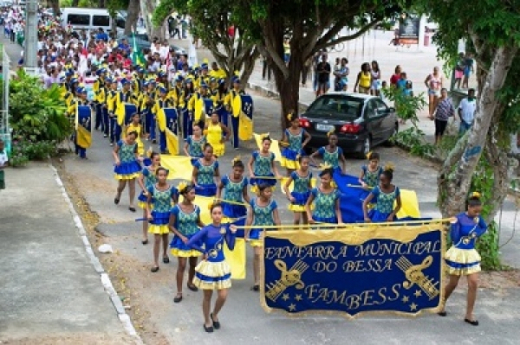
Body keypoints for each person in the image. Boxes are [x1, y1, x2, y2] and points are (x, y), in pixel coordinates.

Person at [186, 203, 238, 333]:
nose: (217, 216)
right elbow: (190, 242)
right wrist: (203, 251)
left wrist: (233, 234)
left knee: (223, 295)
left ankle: (214, 314)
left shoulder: (225, 228)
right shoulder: (206, 229)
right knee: (207, 296)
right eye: (214, 213)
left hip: (221, 265)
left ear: (222, 215)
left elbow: (231, 246)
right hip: (209, 266)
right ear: (211, 215)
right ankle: (207, 320)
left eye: (219, 213)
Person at [438, 192, 487, 326]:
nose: (477, 214)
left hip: (470, 253)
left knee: (473, 283)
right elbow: (454, 238)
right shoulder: (459, 218)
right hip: (458, 253)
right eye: (475, 211)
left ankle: (469, 314)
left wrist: (477, 233)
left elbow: (484, 227)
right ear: (469, 207)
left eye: (479, 211)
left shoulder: (478, 218)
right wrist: (455, 226)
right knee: (453, 283)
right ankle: (441, 303)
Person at [169, 182, 204, 303]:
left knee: (193, 264)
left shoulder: (196, 208)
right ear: (184, 194)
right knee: (182, 265)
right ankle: (179, 292)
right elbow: (171, 226)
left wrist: (207, 228)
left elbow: (198, 222)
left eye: (194, 193)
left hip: (194, 238)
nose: (194, 195)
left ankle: (190, 282)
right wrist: (181, 236)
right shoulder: (176, 209)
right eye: (192, 193)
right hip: (182, 240)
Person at [245, 184, 281, 291]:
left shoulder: (273, 203)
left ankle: (267, 280)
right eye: (267, 191)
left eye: (270, 191)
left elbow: (277, 219)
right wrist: (246, 233)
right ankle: (257, 281)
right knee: (257, 255)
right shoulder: (253, 202)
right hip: (256, 232)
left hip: (269, 231)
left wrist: (281, 232)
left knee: (267, 256)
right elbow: (250, 218)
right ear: (260, 192)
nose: (269, 194)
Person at [146, 167, 178, 272]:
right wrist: (148, 213)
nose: (162, 177)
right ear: (156, 176)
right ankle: (155, 263)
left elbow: (175, 203)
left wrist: (175, 215)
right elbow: (148, 203)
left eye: (164, 175)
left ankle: (164, 253)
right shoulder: (152, 188)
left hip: (168, 215)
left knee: (165, 236)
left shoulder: (172, 189)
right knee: (157, 239)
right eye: (160, 175)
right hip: (157, 215)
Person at [217, 157, 250, 231]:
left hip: (238, 206)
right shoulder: (226, 178)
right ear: (233, 168)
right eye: (236, 170)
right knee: (227, 224)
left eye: (240, 171)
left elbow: (245, 195)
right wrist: (217, 199)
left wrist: (252, 203)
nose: (238, 172)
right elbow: (219, 187)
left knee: (237, 225)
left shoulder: (244, 180)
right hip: (227, 205)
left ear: (243, 171)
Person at [113, 131, 142, 212]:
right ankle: (118, 194)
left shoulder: (135, 144)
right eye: (130, 138)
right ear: (127, 135)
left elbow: (136, 153)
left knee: (132, 186)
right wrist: (117, 159)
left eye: (133, 139)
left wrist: (138, 157)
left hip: (132, 166)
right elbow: (114, 152)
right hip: (122, 166)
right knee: (121, 186)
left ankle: (131, 204)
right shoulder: (121, 142)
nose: (131, 140)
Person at [137, 151, 160, 245]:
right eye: (156, 159)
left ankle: (157, 233)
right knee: (146, 215)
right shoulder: (147, 169)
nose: (158, 161)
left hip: (158, 194)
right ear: (151, 160)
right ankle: (144, 235)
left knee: (158, 214)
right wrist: (145, 190)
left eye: (159, 160)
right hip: (148, 194)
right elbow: (140, 180)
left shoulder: (161, 170)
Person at [284, 156, 313, 225]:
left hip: (306, 197)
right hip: (297, 197)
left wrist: (313, 194)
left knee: (306, 220)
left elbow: (309, 186)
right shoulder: (295, 174)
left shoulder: (309, 174)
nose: (306, 165)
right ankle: (295, 233)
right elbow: (285, 186)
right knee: (297, 219)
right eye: (304, 163)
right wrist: (290, 196)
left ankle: (304, 234)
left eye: (307, 163)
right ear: (300, 163)